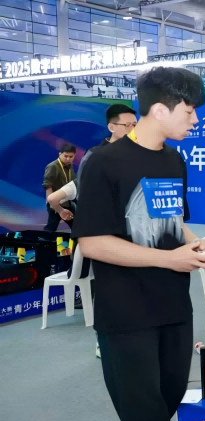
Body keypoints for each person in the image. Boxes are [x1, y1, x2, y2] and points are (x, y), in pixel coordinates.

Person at [73, 67, 205, 421]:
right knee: (147, 416)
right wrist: (168, 259)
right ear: (159, 109)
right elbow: (93, 243)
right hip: (126, 311)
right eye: (189, 110)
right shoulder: (104, 164)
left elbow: (170, 222)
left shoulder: (173, 160)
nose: (194, 119)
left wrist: (193, 245)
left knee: (168, 395)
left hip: (173, 303)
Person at [47, 104, 139, 358]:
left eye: (136, 125)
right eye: (128, 125)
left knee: (133, 290)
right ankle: (104, 340)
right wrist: (63, 211)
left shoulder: (137, 154)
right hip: (105, 238)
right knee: (108, 290)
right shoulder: (97, 158)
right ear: (112, 127)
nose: (133, 130)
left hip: (134, 236)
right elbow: (63, 194)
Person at [43, 143, 76, 232]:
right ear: (60, 154)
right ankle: (43, 240)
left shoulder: (70, 166)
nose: (68, 159)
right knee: (51, 228)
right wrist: (53, 205)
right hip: (56, 204)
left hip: (68, 203)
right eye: (66, 156)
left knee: (76, 227)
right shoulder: (53, 166)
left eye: (71, 156)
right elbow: (48, 185)